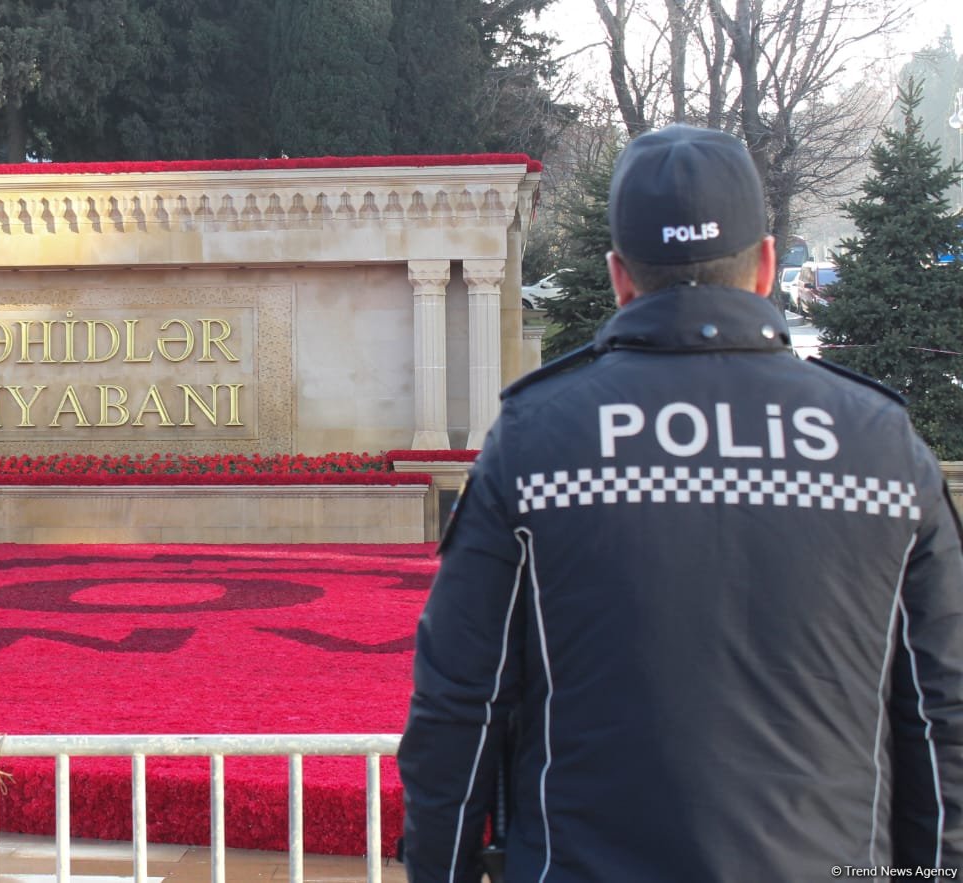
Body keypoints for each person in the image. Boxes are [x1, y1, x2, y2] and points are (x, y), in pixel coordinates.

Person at [398, 124, 963, 881]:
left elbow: (458, 710)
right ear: (766, 265)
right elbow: (942, 723)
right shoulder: (884, 446)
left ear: (619, 276)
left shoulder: (535, 441)